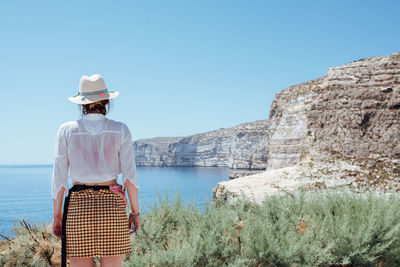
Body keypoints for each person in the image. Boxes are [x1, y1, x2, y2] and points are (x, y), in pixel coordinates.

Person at [51, 74, 140, 267]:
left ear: (82, 104)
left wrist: (57, 217)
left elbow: (59, 179)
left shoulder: (66, 130)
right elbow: (130, 177)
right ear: (107, 101)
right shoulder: (120, 129)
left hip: (78, 207)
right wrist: (135, 212)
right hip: (112, 206)